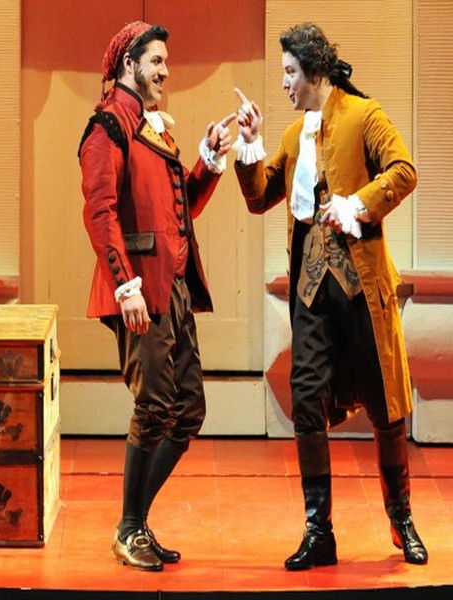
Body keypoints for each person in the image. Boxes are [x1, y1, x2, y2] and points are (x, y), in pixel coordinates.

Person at [232, 23, 427, 570]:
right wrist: (249, 145)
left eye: (290, 73)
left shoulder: (364, 115)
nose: (284, 84)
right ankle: (319, 531)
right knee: (306, 401)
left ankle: (402, 518)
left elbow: (404, 170)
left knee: (385, 405)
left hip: (361, 288)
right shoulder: (295, 135)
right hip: (312, 293)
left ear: (315, 70)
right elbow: (260, 196)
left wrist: (357, 204)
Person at [78, 21, 234, 571]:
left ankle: (135, 523)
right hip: (141, 289)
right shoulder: (108, 127)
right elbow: (100, 213)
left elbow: (179, 206)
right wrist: (125, 285)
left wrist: (207, 161)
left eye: (166, 62)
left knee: (188, 409)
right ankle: (129, 528)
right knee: (154, 406)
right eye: (157, 62)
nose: (166, 72)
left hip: (175, 287)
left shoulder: (151, 128)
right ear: (130, 64)